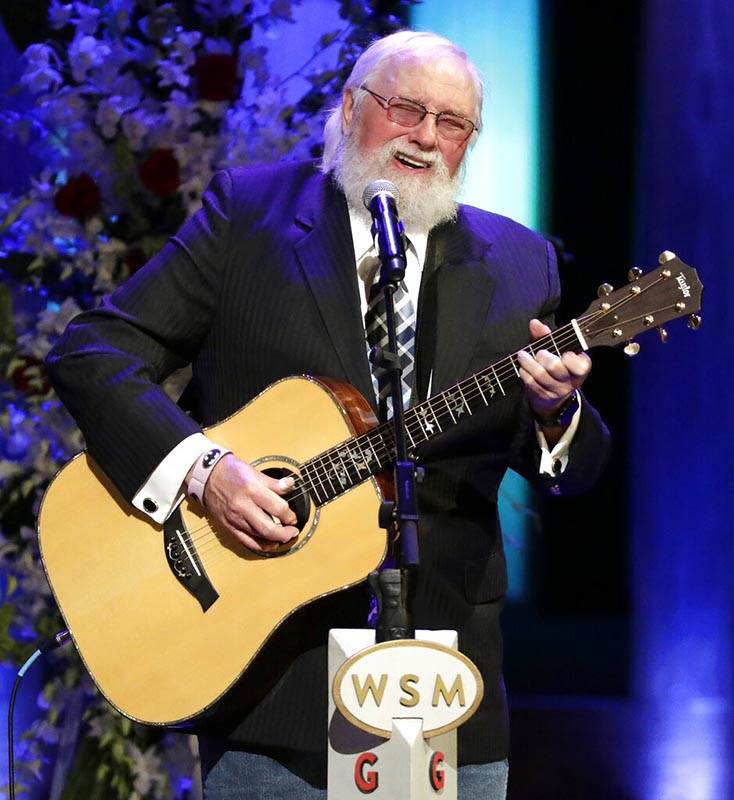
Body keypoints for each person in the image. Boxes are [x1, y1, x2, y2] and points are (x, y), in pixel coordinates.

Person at [47, 30, 609, 800]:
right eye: (406, 109)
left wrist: (556, 412)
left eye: (452, 123)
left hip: (443, 689)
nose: (425, 138)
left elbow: (575, 469)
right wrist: (204, 473)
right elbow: (96, 351)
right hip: (278, 689)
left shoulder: (517, 261)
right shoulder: (252, 217)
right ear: (349, 109)